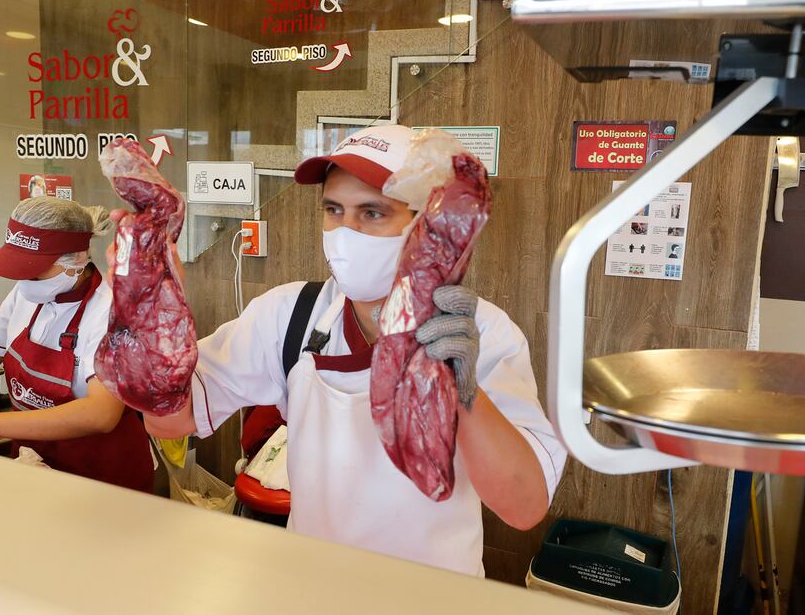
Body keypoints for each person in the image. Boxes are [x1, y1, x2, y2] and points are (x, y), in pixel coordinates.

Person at [141, 125, 566, 575]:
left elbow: (524, 506)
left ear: (426, 227)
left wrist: (464, 394)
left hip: (434, 595)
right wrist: (149, 309)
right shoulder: (290, 315)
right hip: (315, 586)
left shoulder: (482, 334)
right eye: (333, 210)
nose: (346, 232)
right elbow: (168, 420)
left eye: (372, 212)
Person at [0, 196, 154, 492]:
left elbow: (100, 414)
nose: (24, 280)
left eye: (34, 270)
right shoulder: (26, 293)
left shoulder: (114, 311)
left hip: (102, 477)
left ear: (75, 260)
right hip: (33, 462)